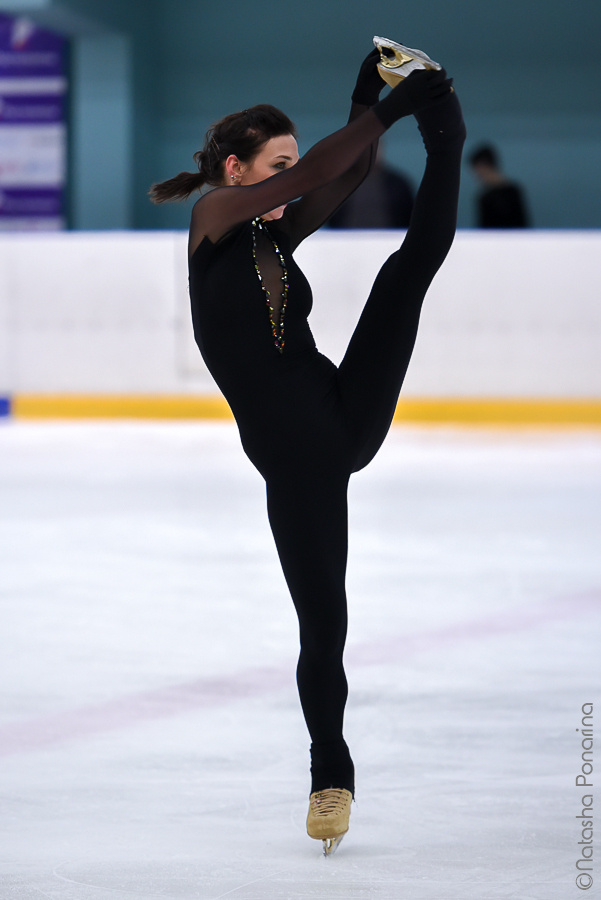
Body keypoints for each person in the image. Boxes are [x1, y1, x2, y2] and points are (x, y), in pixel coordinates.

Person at [150, 47, 466, 854]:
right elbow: (314, 173)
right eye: (277, 162)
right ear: (236, 167)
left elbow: (342, 173)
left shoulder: (274, 234)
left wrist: (374, 97)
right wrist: (383, 109)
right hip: (294, 459)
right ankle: (332, 772)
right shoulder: (215, 218)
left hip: (341, 412)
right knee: (323, 627)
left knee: (410, 268)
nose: (292, 174)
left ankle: (450, 145)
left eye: (292, 161)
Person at [328, 145, 414, 228]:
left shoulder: (397, 184)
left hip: (390, 239)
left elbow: (408, 215)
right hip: (346, 238)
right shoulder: (341, 183)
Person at [469, 143, 530, 228]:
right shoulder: (484, 198)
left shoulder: (513, 192)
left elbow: (523, 224)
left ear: (484, 167)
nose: (476, 175)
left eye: (478, 171)